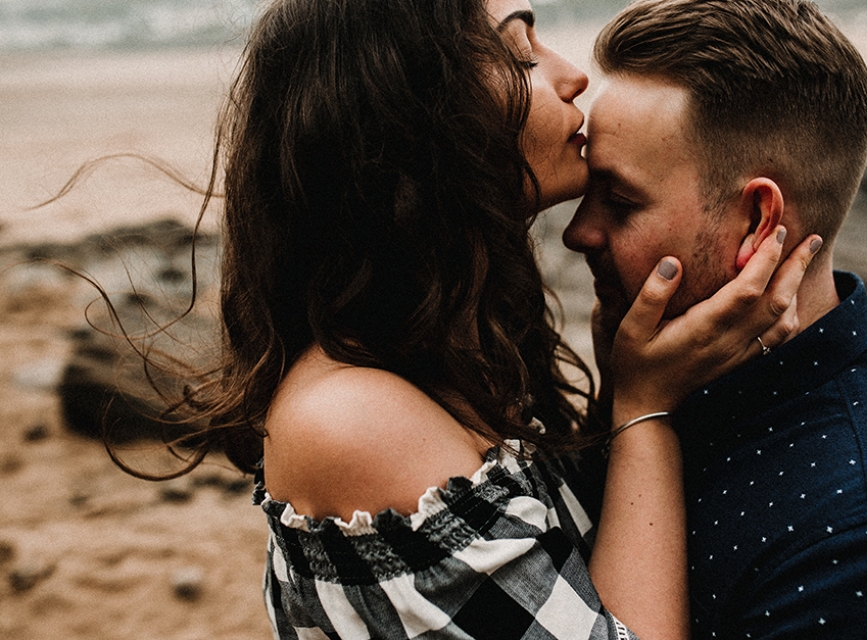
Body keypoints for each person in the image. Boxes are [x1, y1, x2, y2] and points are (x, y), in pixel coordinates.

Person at [81, 0, 818, 637]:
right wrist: (642, 406)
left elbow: (579, 575)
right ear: (407, 112)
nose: (572, 77)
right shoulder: (353, 418)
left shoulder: (456, 356)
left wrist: (622, 388)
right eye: (521, 55)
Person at [563, 0, 867, 637]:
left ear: (758, 221)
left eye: (619, 201)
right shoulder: (664, 381)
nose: (578, 233)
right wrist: (622, 398)